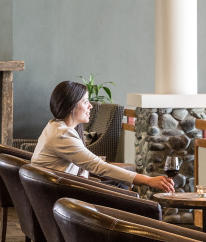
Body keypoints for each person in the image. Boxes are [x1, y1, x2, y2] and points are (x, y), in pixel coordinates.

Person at [31, 80, 175, 192]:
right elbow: (99, 167)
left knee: (120, 186)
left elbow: (88, 164)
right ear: (71, 106)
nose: (90, 106)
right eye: (85, 102)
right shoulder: (62, 135)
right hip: (60, 196)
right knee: (123, 191)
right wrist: (148, 180)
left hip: (56, 191)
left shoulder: (54, 126)